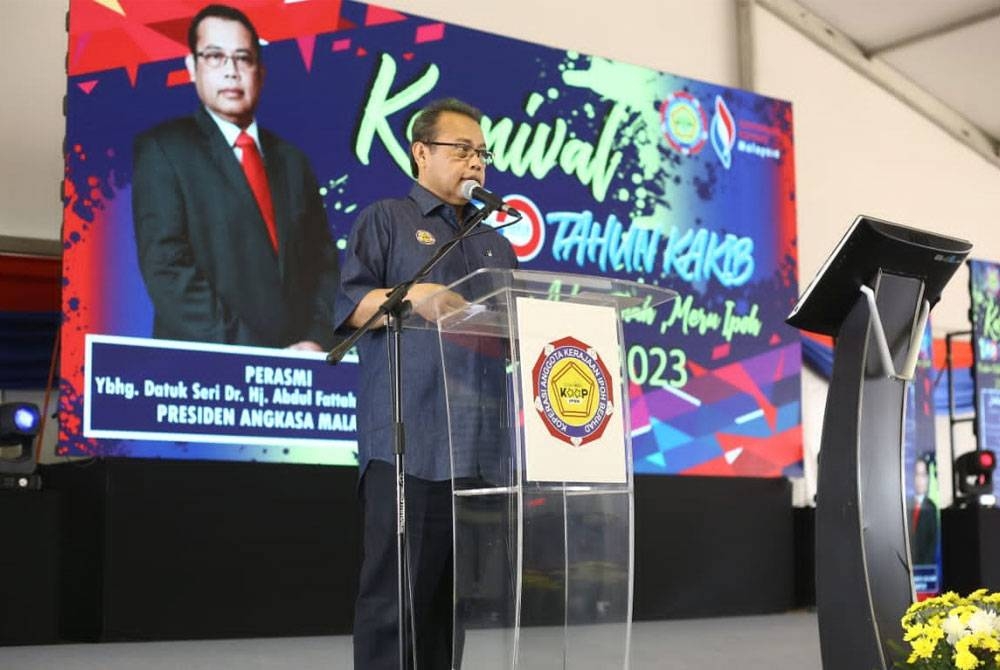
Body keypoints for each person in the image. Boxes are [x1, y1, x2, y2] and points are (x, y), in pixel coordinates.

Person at [335, 98, 517, 669]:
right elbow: (351, 306)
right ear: (421, 152)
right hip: (407, 443)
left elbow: (507, 331)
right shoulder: (387, 219)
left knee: (449, 602)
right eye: (462, 149)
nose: (476, 163)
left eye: (483, 153)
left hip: (476, 452)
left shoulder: (495, 245)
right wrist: (416, 296)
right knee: (394, 599)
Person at [132, 4, 338, 350]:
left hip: (297, 372)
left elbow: (323, 265)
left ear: (260, 71)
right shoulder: (164, 150)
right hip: (204, 371)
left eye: (243, 58)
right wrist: (250, 353)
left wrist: (314, 339)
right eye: (214, 56)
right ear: (192, 67)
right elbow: (167, 268)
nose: (231, 71)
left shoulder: (292, 161)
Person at [908, 456, 939, 565]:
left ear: (927, 478)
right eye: (917, 475)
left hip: (924, 569)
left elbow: (932, 542)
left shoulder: (931, 508)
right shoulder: (906, 505)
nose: (919, 480)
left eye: (923, 475)